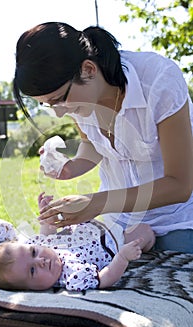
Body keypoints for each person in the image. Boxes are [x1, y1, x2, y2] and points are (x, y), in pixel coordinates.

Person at [13, 22, 193, 253]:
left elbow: (180, 185)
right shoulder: (82, 97)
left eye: (59, 99)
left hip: (177, 219)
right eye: (48, 105)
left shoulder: (158, 80)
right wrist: (72, 167)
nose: (59, 112)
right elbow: (93, 145)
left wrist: (97, 202)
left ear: (88, 69)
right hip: (116, 222)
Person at [0, 192, 155, 291]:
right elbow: (105, 279)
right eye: (33, 270)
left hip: (94, 223)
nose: (40, 261)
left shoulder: (43, 245)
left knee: (127, 207)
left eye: (33, 253)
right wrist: (123, 258)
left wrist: (47, 214)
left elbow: (48, 233)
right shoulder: (72, 276)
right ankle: (147, 244)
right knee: (145, 231)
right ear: (30, 289)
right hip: (116, 243)